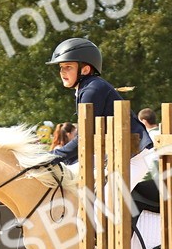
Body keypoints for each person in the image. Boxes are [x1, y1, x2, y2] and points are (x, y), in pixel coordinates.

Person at [46, 38, 153, 186]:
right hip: (116, 153)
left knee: (101, 208)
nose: (62, 72)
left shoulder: (92, 90)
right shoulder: (86, 87)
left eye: (68, 67)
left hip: (132, 157)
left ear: (85, 69)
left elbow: (85, 138)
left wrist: (51, 156)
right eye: (61, 67)